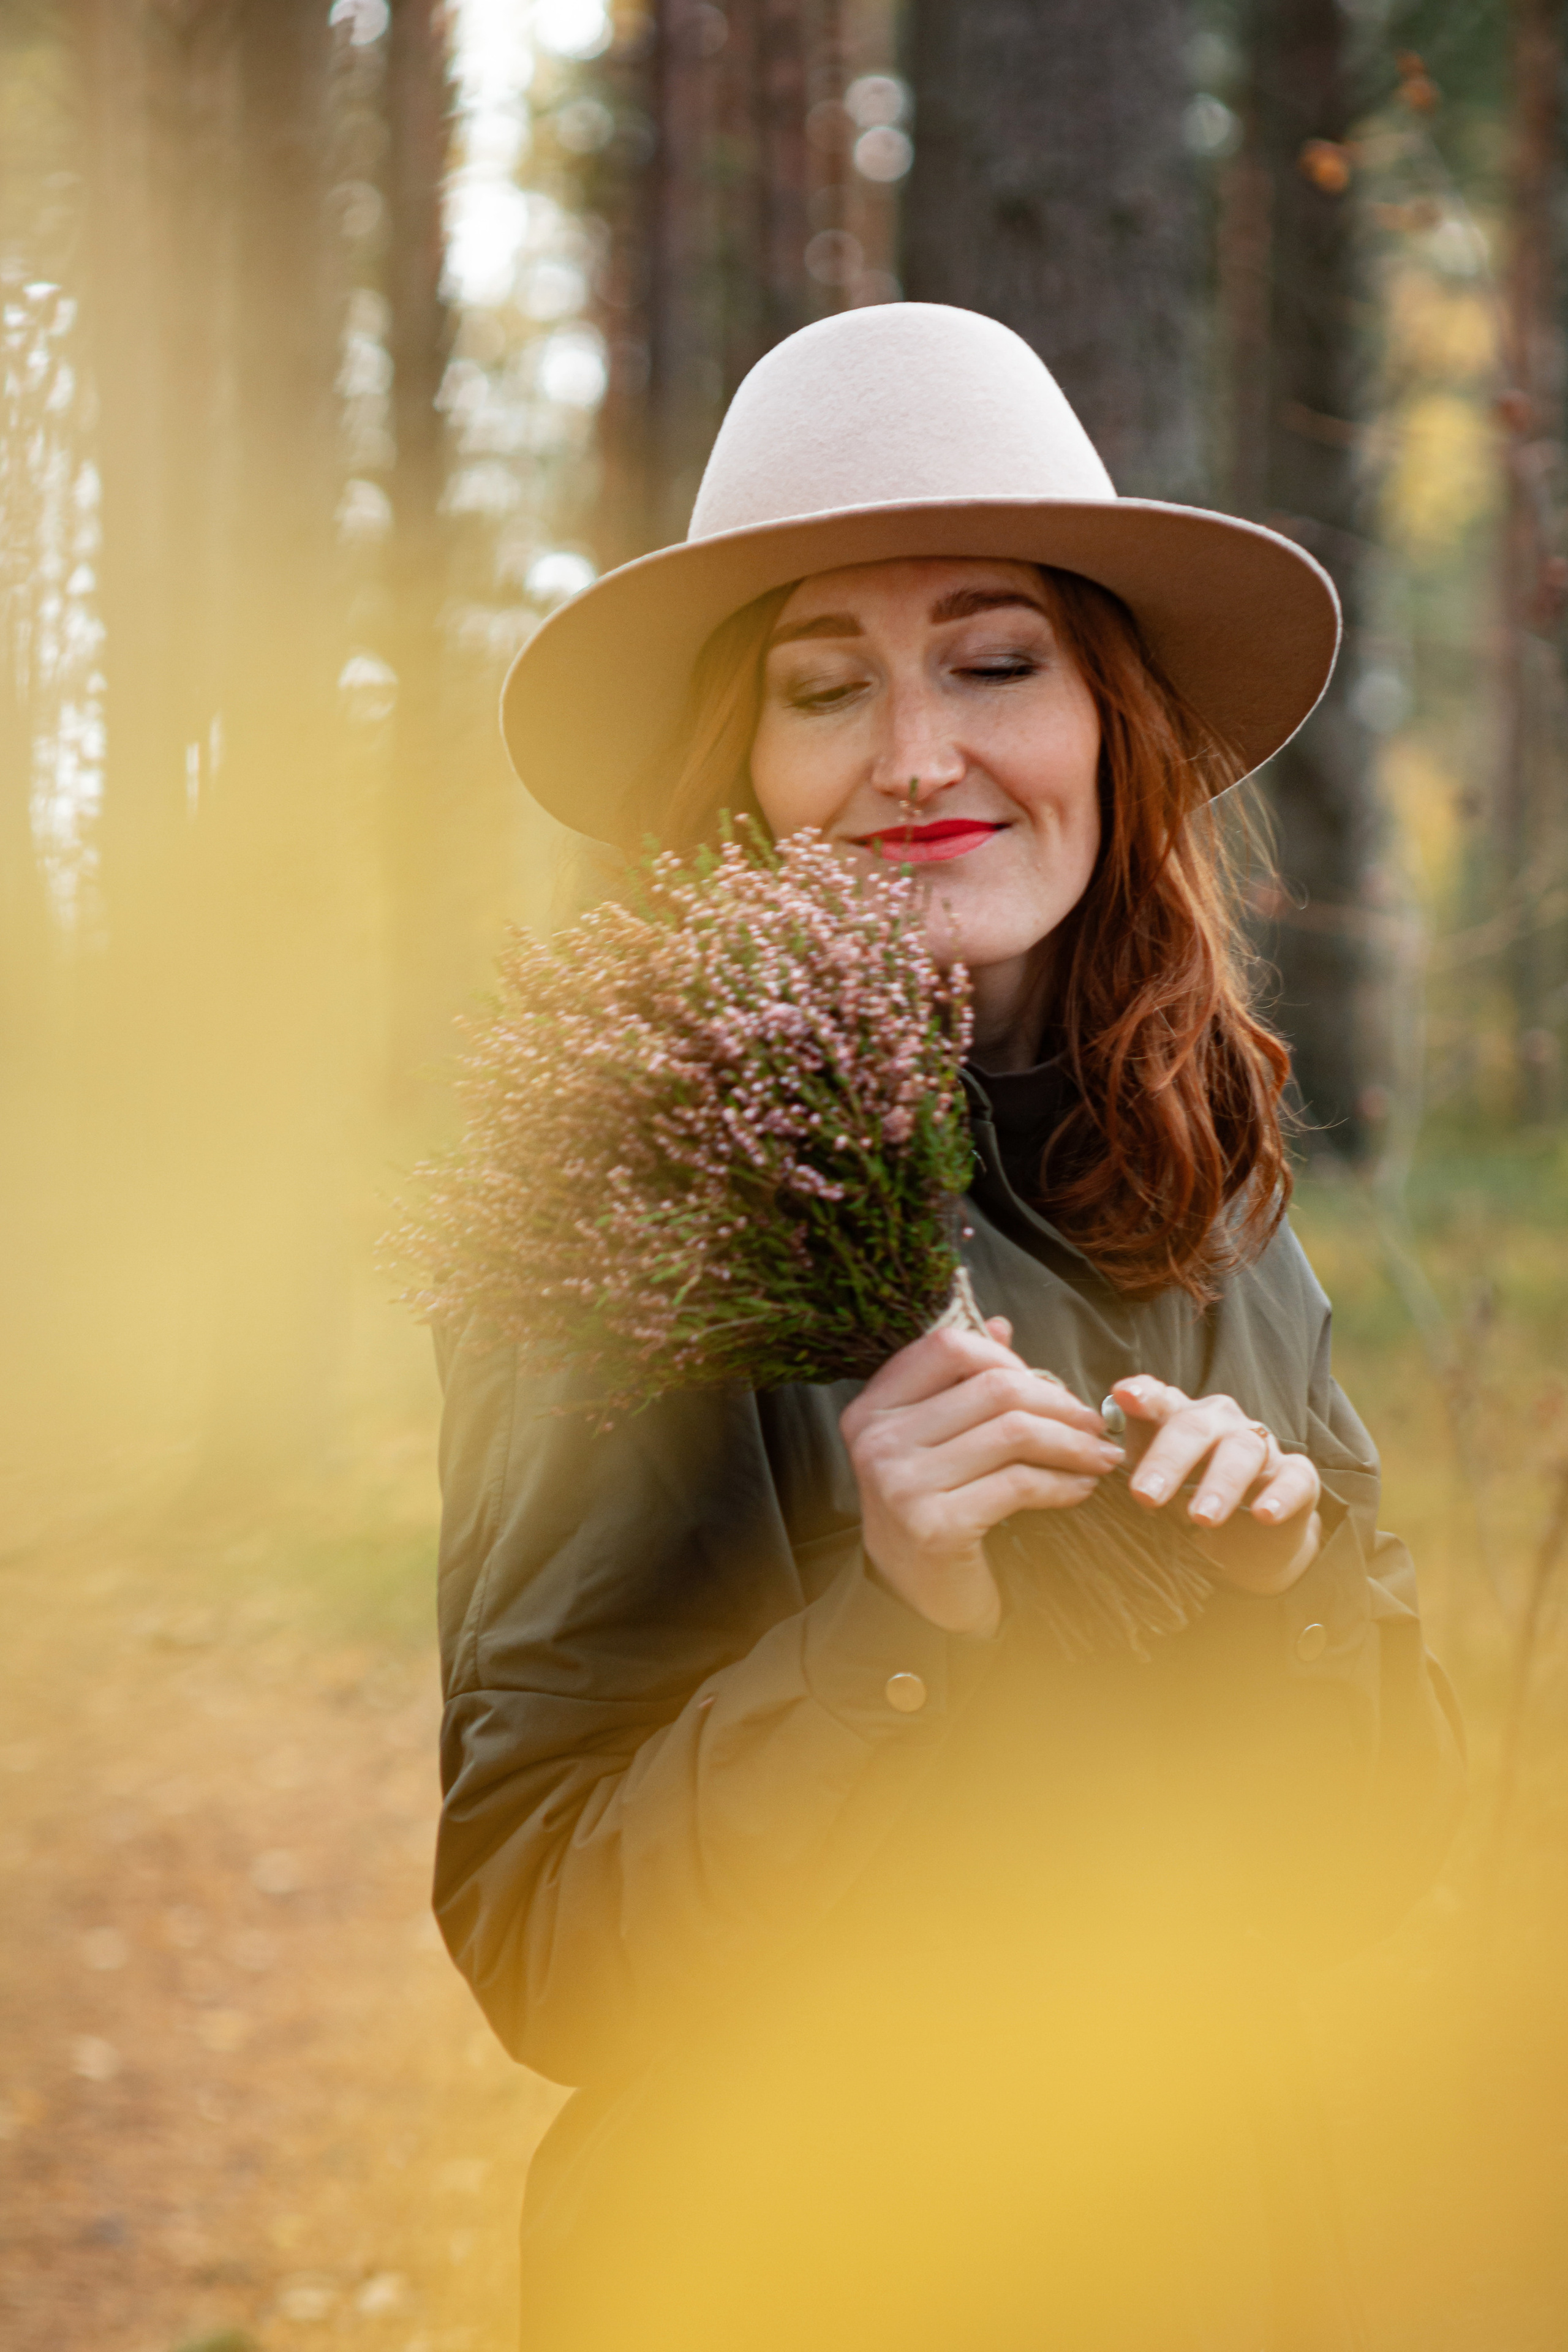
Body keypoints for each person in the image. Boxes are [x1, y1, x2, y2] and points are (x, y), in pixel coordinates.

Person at [433, 305, 1464, 2352]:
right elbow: (545, 1950)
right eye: (828, 687)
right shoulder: (625, 1220)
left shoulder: (1217, 1185)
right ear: (740, 765)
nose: (917, 754)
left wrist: (1284, 1595)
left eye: (996, 664)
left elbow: (1375, 1852)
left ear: (1109, 723)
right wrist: (886, 1633)